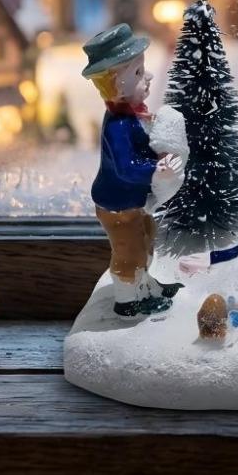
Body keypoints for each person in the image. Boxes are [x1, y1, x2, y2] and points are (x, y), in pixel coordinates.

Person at [82, 24, 186, 317]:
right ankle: (128, 298)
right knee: (129, 251)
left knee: (146, 239)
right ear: (115, 85)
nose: (149, 76)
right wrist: (157, 168)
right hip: (118, 204)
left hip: (133, 201)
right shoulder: (118, 125)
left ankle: (145, 284)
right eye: (138, 73)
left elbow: (143, 150)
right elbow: (127, 168)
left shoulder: (130, 117)